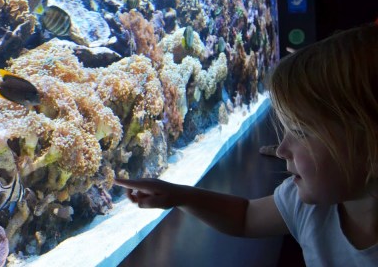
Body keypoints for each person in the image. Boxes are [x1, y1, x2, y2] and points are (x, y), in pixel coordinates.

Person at [115, 23, 378, 266]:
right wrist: (178, 195)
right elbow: (245, 217)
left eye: (301, 132)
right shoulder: (307, 203)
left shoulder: (315, 201)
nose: (281, 150)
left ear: (370, 144)